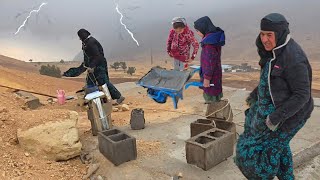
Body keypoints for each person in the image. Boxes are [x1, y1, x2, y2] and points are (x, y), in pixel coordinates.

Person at [235, 13, 314, 179]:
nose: (264, 39)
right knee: (281, 146)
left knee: (268, 150)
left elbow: (302, 95)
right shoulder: (273, 52)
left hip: (292, 116)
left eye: (269, 35)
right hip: (277, 110)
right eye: (262, 34)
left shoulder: (293, 58)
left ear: (280, 34)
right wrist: (256, 94)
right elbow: (270, 80)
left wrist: (274, 118)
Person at [63, 29, 125, 104]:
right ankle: (91, 99)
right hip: (92, 64)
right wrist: (87, 66)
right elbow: (87, 56)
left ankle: (118, 97)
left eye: (80, 36)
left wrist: (92, 66)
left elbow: (97, 56)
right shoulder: (85, 42)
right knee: (90, 81)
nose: (79, 38)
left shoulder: (91, 42)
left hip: (99, 64)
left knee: (103, 81)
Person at [193, 16, 225, 103]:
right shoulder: (214, 39)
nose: (198, 33)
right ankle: (216, 113)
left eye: (197, 31)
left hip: (211, 78)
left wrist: (206, 78)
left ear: (203, 29)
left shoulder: (209, 44)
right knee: (216, 97)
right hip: (215, 75)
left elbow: (210, 62)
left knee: (211, 99)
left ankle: (214, 115)